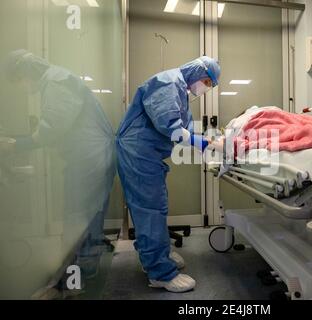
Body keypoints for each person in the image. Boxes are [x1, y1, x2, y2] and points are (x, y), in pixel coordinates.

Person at [1, 50, 116, 280]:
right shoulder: (55, 80)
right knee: (90, 211)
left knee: (77, 212)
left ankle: (80, 271)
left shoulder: (56, 82)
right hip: (91, 155)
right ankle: (88, 259)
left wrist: (16, 145)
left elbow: (51, 128)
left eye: (19, 81)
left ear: (25, 72)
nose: (23, 88)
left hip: (88, 157)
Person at [116, 56, 221, 293]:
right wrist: (205, 144)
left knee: (155, 207)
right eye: (206, 81)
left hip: (146, 154)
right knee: (151, 210)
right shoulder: (168, 82)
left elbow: (181, 128)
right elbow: (171, 127)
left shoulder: (179, 89)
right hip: (139, 152)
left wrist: (205, 140)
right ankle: (159, 273)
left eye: (209, 85)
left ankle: (156, 257)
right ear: (197, 72)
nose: (204, 88)